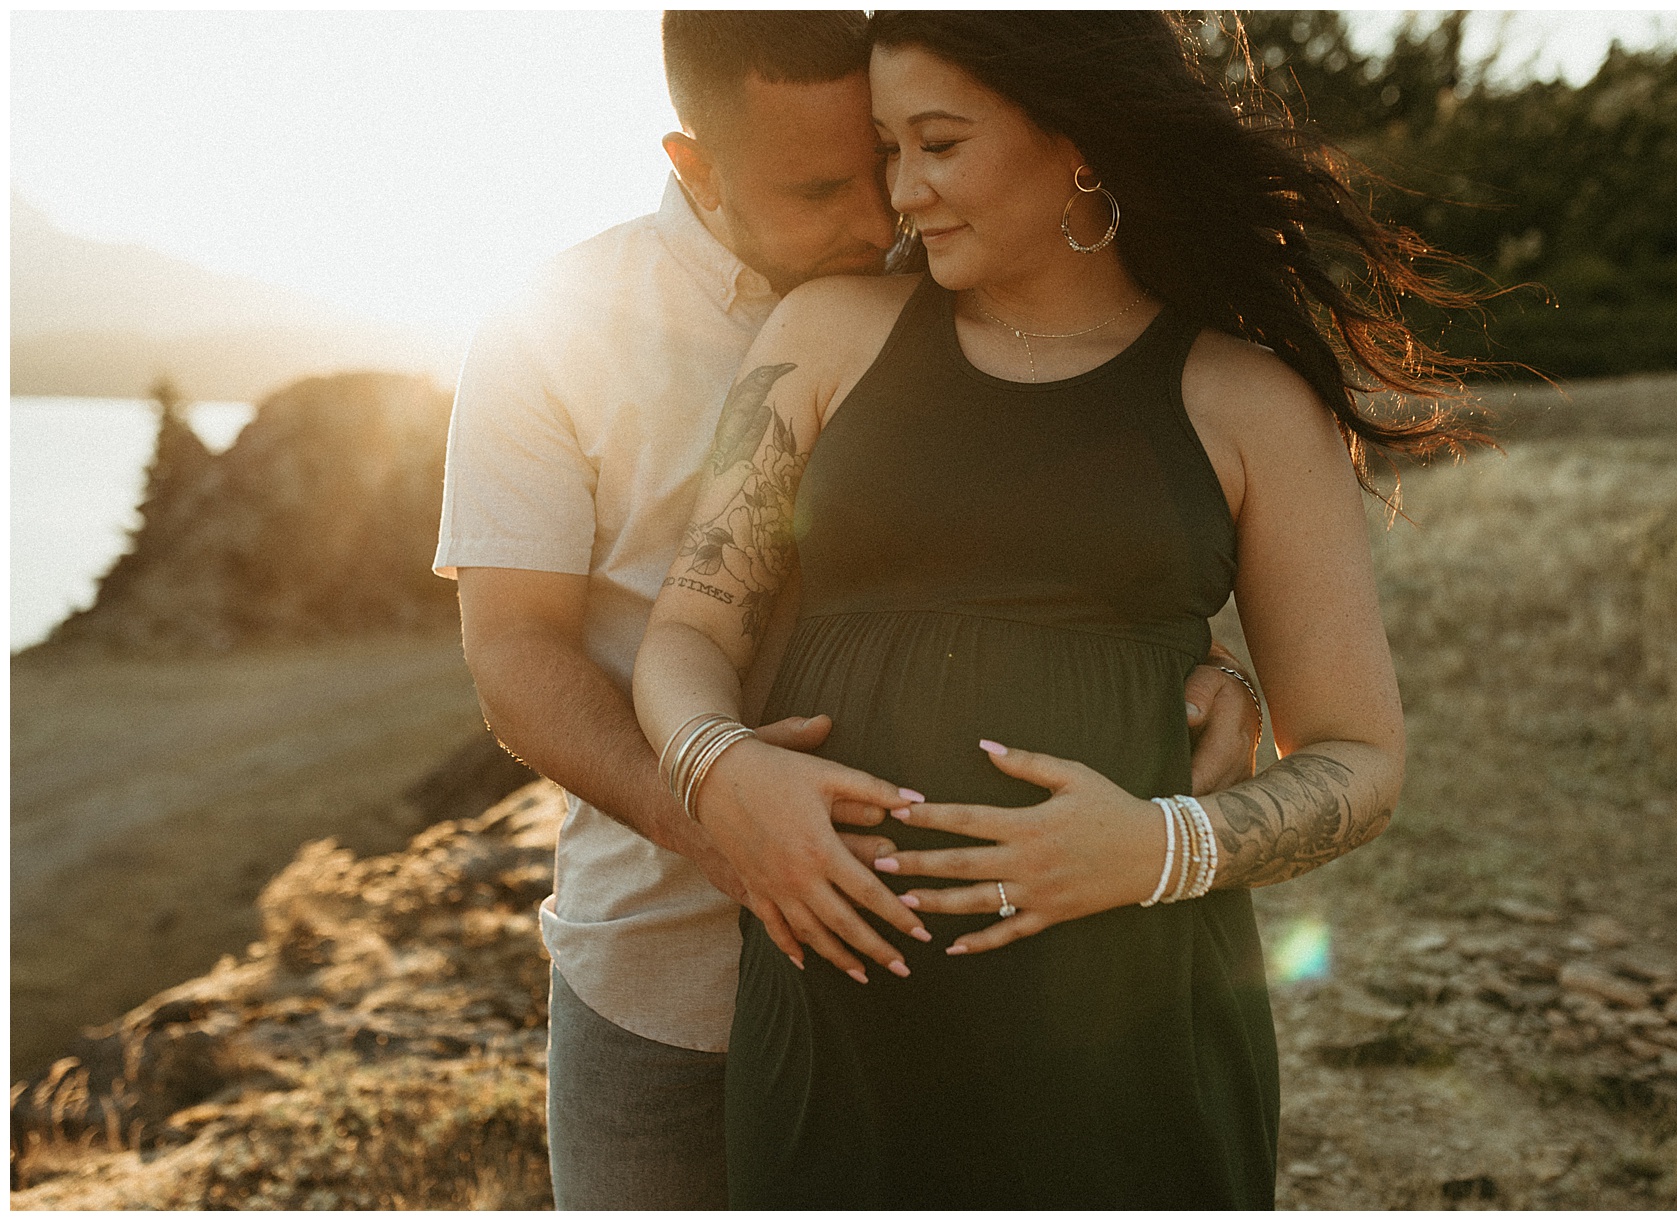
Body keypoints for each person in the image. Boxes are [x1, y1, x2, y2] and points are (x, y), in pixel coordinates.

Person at [632, 10, 1488, 1210]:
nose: (904, 192)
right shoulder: (826, 335)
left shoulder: (1247, 403)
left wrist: (1160, 847)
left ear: (1079, 141)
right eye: (887, 148)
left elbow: (1362, 761)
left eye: (939, 143)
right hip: (841, 1015)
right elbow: (687, 632)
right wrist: (718, 769)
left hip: (1125, 1024)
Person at [434, 11, 1261, 1209]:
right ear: (694, 168)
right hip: (662, 977)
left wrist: (1201, 656)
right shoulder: (551, 328)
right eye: (823, 187)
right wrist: (718, 813)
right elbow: (513, 657)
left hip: (956, 993)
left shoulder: (957, 261)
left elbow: (1093, 517)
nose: (880, 221)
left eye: (885, 160)